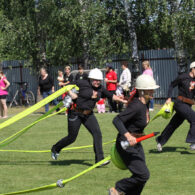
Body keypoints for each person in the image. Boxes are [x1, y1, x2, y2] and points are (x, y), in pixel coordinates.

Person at [51, 68, 127, 166]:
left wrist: (123, 101)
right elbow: (67, 87)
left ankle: (99, 160)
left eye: (99, 80)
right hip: (75, 113)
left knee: (97, 134)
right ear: (90, 79)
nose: (97, 82)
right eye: (95, 80)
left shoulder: (100, 88)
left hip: (88, 114)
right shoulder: (82, 83)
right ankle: (55, 148)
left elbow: (111, 96)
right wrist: (71, 94)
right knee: (72, 137)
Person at [109, 74, 159, 195]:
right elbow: (117, 120)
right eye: (150, 90)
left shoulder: (145, 104)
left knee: (141, 177)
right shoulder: (136, 105)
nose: (153, 92)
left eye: (153, 89)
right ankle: (118, 189)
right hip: (126, 144)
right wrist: (128, 136)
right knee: (143, 175)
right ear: (142, 91)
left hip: (137, 143)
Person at [156, 61, 195, 151]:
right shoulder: (183, 77)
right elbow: (171, 85)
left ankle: (160, 141)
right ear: (192, 68)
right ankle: (193, 141)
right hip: (179, 103)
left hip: (188, 105)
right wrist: (169, 98)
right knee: (194, 119)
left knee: (173, 124)